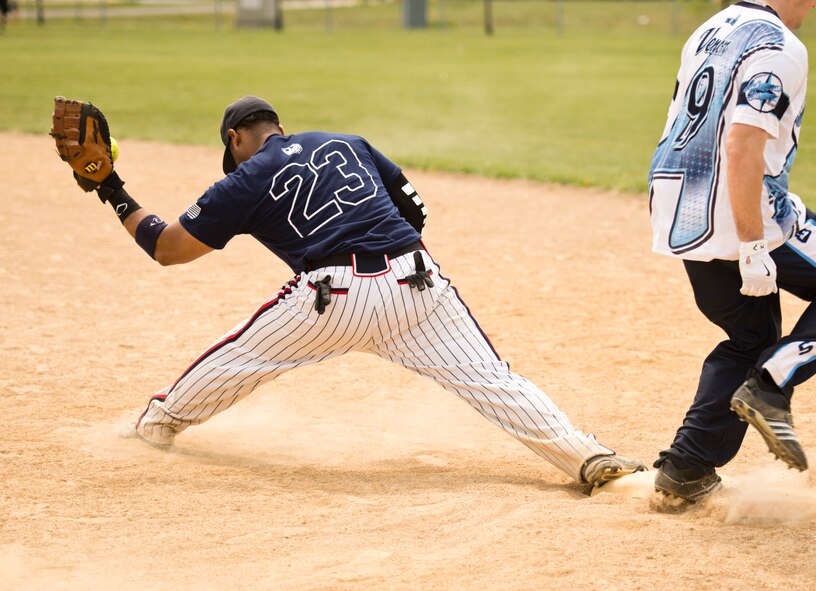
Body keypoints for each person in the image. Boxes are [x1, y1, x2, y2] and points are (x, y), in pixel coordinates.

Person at [58, 95, 646, 490]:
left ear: (237, 138)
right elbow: (414, 209)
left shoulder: (245, 177)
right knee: (493, 380)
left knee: (245, 355)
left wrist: (110, 186)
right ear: (280, 127)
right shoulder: (349, 142)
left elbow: (168, 247)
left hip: (331, 298)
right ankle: (587, 458)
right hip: (419, 286)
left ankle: (156, 426)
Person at [648, 0, 816, 502]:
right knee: (761, 355)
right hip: (738, 211)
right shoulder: (779, 47)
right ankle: (772, 385)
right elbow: (743, 143)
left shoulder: (714, 26)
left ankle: (687, 466)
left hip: (681, 209)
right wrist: (751, 245)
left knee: (749, 336)